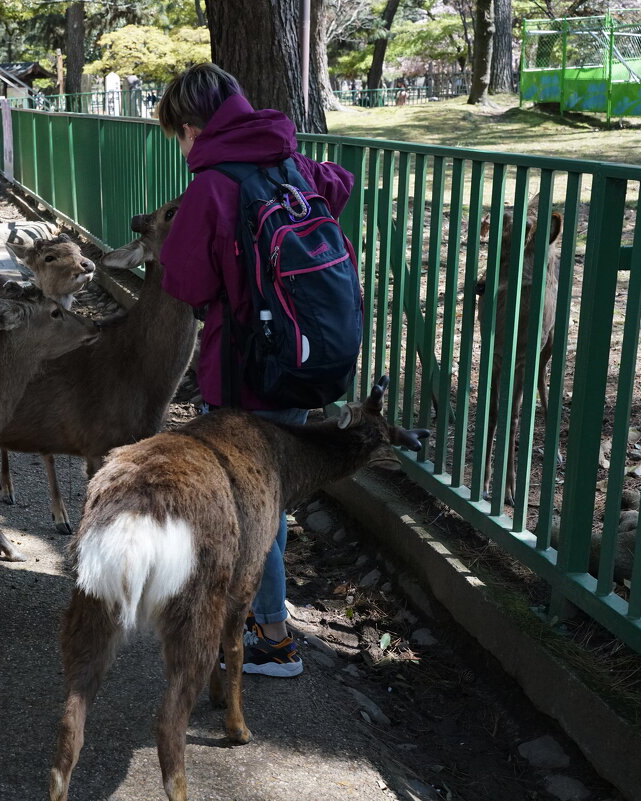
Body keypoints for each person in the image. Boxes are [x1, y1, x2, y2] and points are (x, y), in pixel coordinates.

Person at [157, 63, 355, 678]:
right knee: (268, 500)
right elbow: (338, 184)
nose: (182, 149)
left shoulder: (214, 186)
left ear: (191, 127)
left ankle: (270, 636)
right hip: (299, 361)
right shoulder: (285, 158)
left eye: (178, 137)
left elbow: (187, 284)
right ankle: (266, 615)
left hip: (246, 373)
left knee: (250, 511)